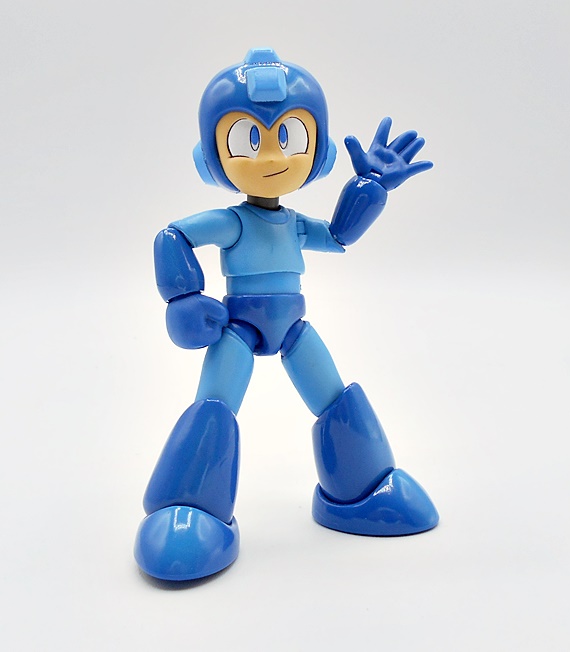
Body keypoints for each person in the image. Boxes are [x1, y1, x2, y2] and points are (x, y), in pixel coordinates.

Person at [134, 48, 438, 582]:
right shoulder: (234, 221)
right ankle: (190, 506)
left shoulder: (294, 223)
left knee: (332, 394)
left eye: (290, 135)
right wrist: (184, 298)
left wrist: (369, 188)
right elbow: (174, 235)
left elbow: (338, 236)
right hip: (238, 328)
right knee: (214, 405)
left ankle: (361, 489)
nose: (270, 155)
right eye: (247, 138)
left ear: (318, 150)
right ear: (212, 156)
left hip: (294, 328)